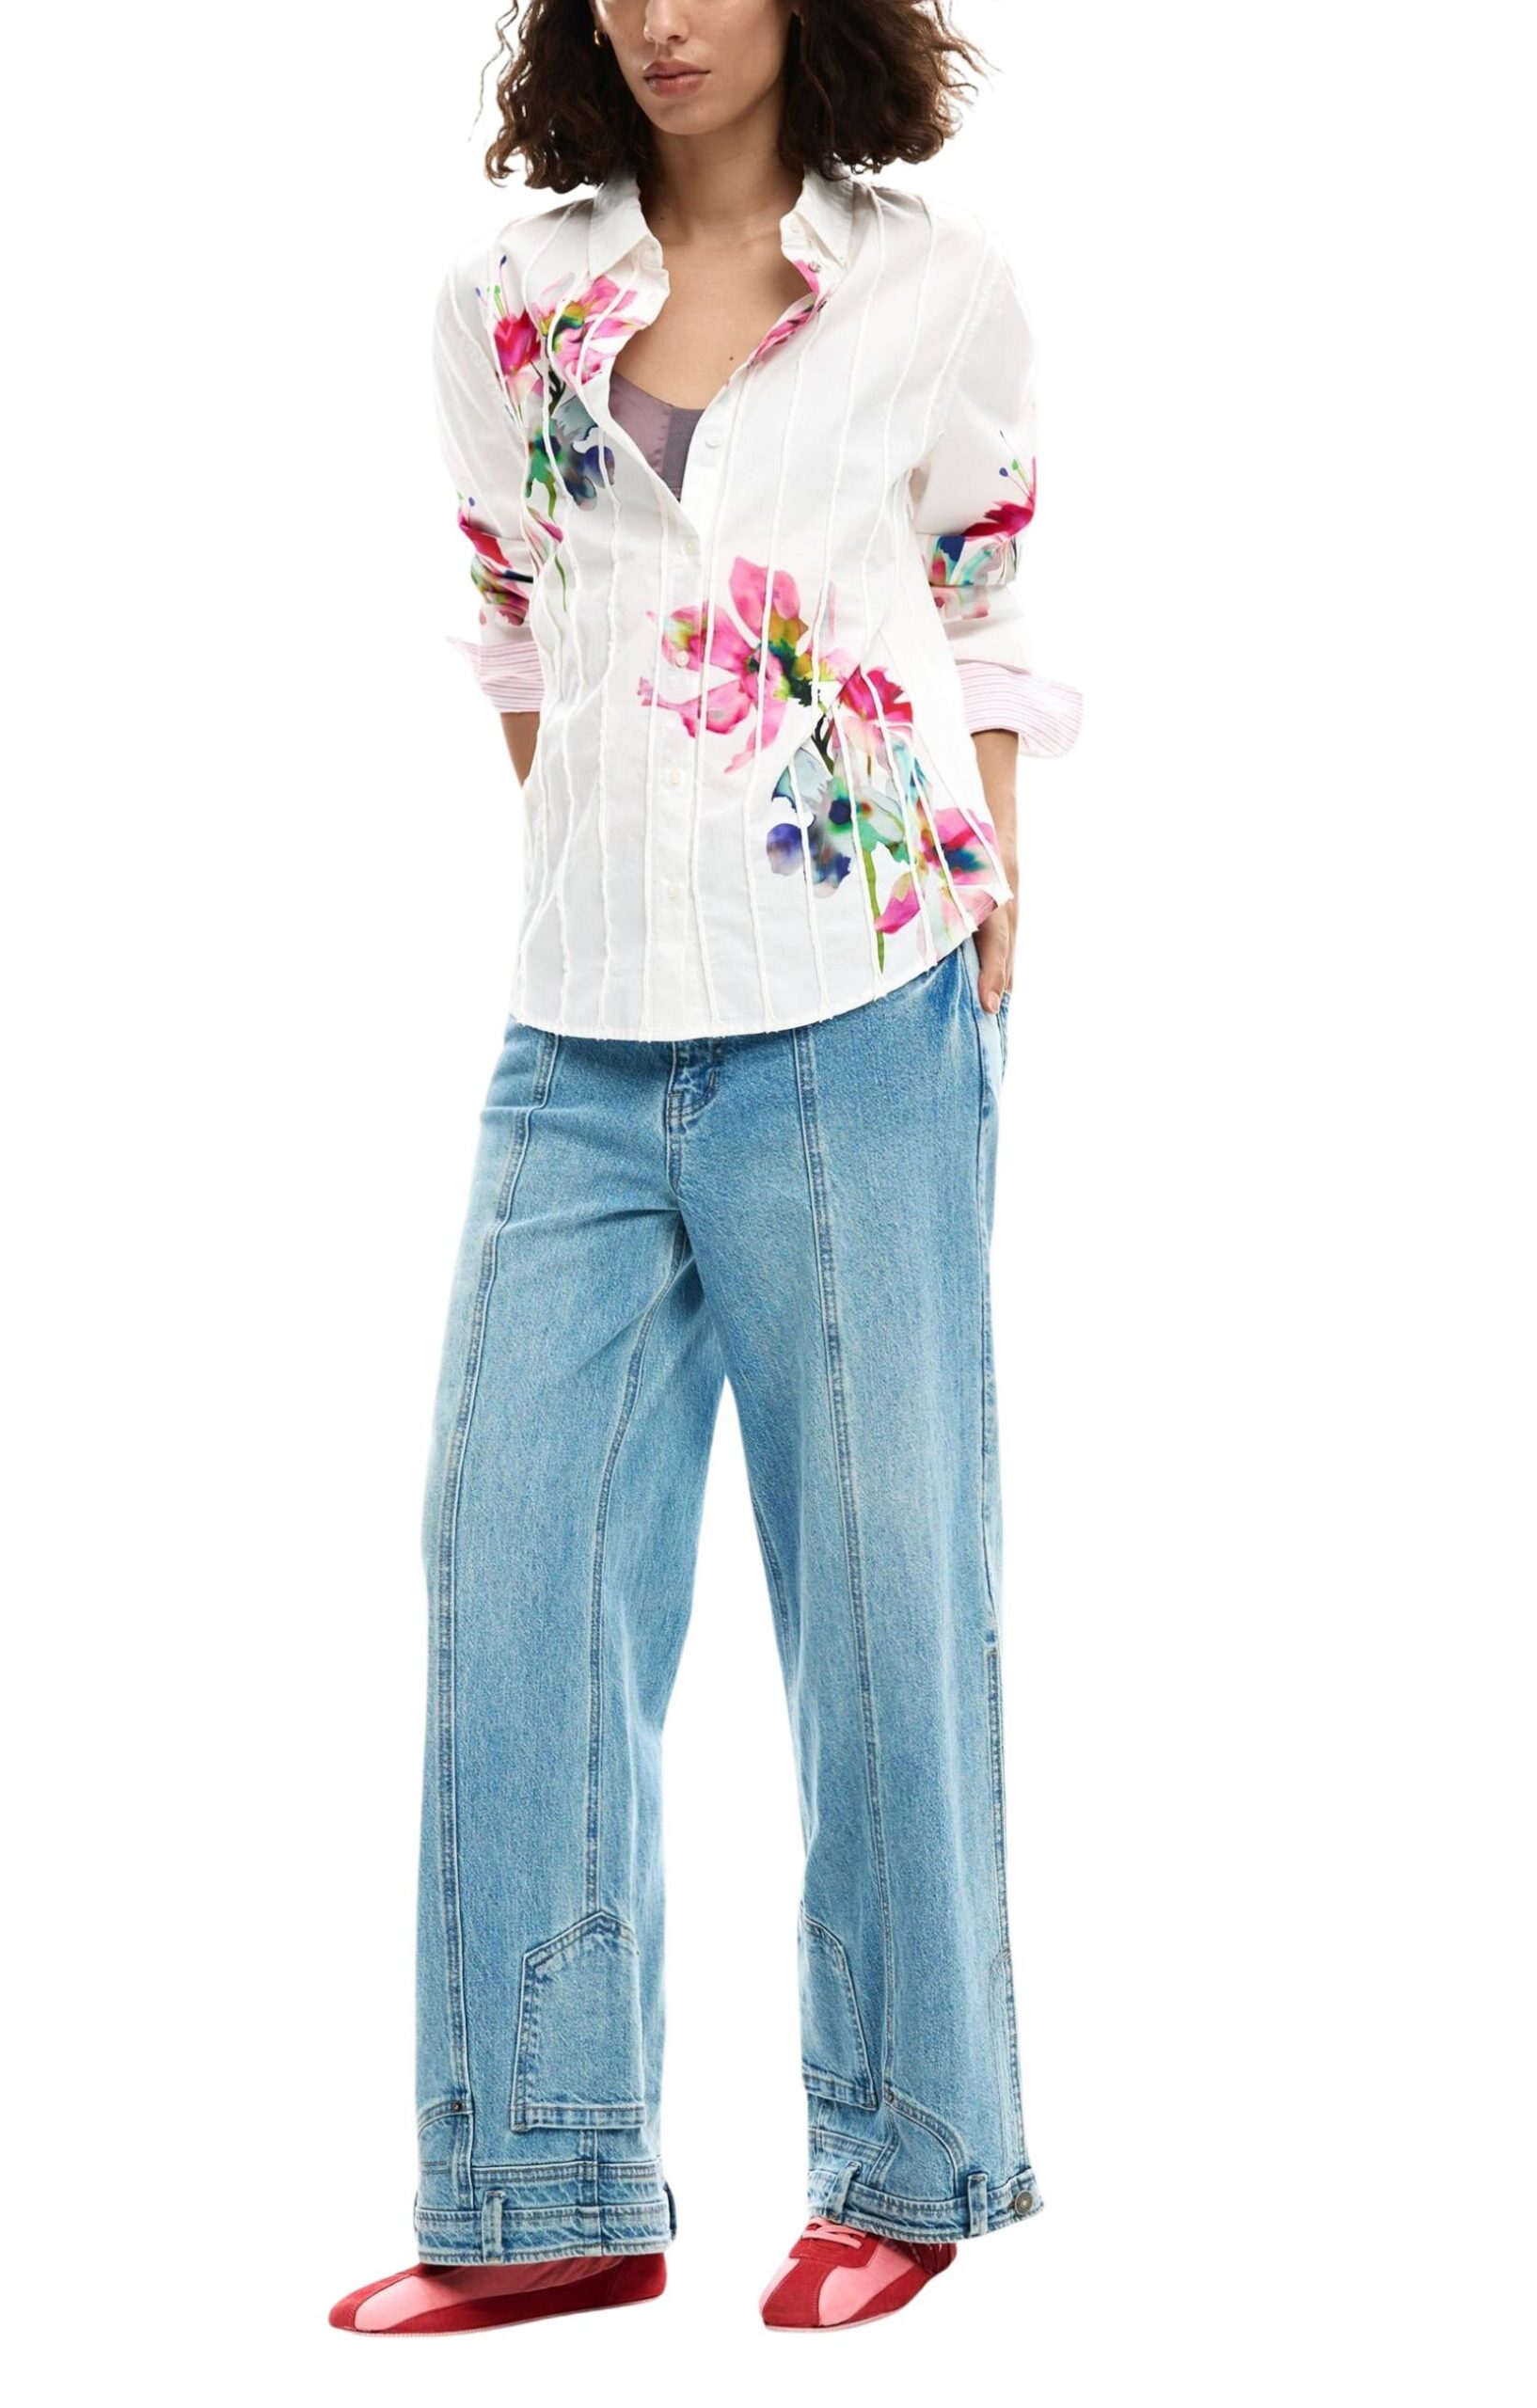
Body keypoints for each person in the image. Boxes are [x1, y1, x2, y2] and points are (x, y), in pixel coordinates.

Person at [330, 0, 1081, 2337]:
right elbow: (508, 617)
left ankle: (908, 2158)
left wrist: (995, 875)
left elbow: (980, 591)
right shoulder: (505, 301)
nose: (659, 16)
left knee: (878, 1597)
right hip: (577, 1030)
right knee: (512, 1568)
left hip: (859, 999)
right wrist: (611, 851)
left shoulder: (933, 287)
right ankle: (543, 2180)